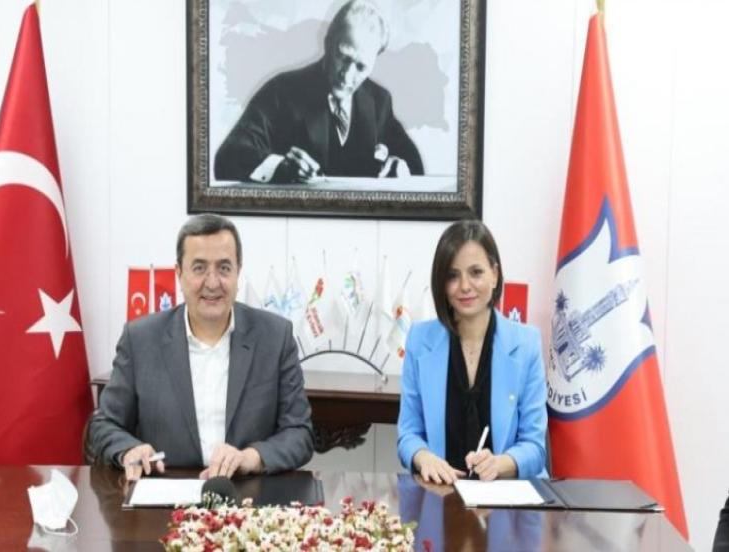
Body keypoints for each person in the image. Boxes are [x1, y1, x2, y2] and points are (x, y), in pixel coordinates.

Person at [88, 214, 314, 480]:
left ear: (238, 272)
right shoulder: (140, 340)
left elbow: (300, 433)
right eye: (199, 268)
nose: (212, 282)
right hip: (166, 492)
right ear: (179, 274)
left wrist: (252, 457)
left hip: (247, 492)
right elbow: (103, 425)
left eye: (224, 268)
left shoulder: (275, 337)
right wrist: (129, 450)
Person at [397, 220, 548, 483]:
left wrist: (501, 463)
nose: (465, 286)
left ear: (494, 274)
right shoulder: (419, 340)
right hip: (442, 491)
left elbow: (535, 448)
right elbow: (408, 435)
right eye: (452, 276)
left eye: (476, 272)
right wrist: (423, 457)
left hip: (507, 495)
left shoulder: (526, 343)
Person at [214, 0, 423, 183]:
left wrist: (400, 166)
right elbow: (228, 156)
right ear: (327, 43)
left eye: (361, 67)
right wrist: (279, 167)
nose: (347, 76)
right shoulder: (281, 92)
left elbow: (414, 164)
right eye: (343, 57)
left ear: (374, 62)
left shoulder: (379, 100)